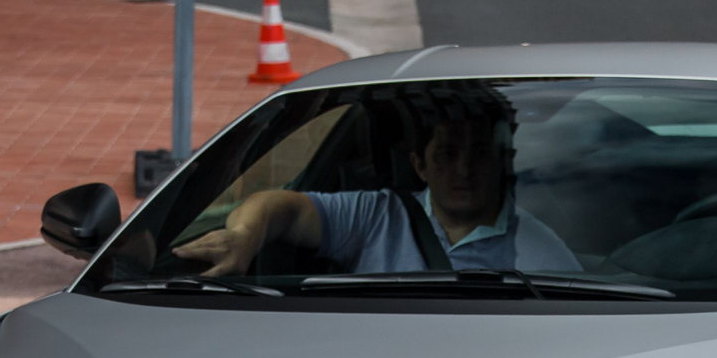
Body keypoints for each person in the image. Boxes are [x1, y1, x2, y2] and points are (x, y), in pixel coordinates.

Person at [173, 111, 579, 276]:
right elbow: (281, 207)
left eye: (478, 155)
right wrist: (245, 238)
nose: (463, 170)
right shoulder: (377, 214)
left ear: (500, 162)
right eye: (446, 155)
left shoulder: (544, 252)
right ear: (419, 164)